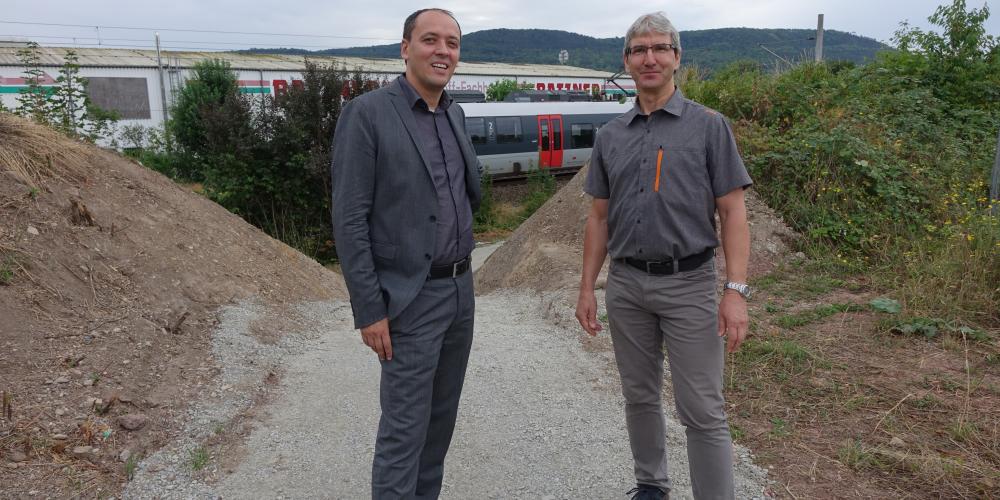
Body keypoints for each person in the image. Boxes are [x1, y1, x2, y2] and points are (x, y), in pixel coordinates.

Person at [574, 11, 753, 500]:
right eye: (638, 50)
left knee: (702, 408)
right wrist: (588, 287)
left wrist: (735, 291)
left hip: (689, 284)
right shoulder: (611, 135)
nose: (648, 58)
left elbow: (733, 213)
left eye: (659, 48)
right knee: (639, 395)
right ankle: (651, 485)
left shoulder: (710, 127)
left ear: (676, 58)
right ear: (626, 62)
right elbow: (598, 218)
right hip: (628, 286)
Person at [331, 8, 481, 499]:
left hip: (460, 292)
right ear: (405, 48)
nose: (443, 51)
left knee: (439, 429)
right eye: (431, 40)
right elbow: (349, 219)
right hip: (409, 300)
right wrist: (370, 309)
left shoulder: (454, 114)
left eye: (452, 43)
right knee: (404, 434)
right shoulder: (368, 114)